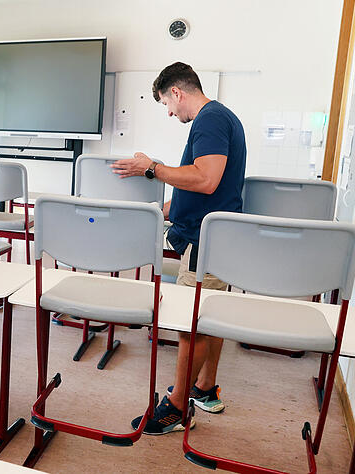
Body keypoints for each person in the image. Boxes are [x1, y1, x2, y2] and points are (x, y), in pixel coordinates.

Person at [111, 62, 246, 434]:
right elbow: (198, 189)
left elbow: (205, 179)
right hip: (210, 235)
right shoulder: (217, 118)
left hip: (209, 241)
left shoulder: (210, 119)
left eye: (166, 105)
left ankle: (175, 408)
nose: (170, 113)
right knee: (209, 319)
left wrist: (152, 168)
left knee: (192, 327)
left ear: (177, 92)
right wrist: (155, 212)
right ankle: (203, 388)